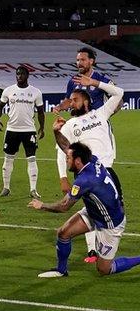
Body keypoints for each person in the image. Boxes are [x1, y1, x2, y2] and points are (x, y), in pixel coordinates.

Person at [29, 139, 140, 278]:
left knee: (104, 269)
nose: (66, 160)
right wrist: (57, 132)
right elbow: (68, 147)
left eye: (68, 158)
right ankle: (61, 270)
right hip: (95, 211)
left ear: (77, 161)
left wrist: (42, 205)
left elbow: (64, 206)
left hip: (110, 222)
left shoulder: (85, 180)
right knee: (63, 233)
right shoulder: (92, 160)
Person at [53, 46, 122, 262]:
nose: (79, 63)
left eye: (82, 60)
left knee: (103, 193)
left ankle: (106, 235)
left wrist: (102, 113)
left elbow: (117, 98)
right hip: (82, 136)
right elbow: (69, 101)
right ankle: (94, 248)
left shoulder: (101, 78)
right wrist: (63, 106)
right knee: (89, 196)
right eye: (77, 60)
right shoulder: (72, 81)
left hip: (99, 133)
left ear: (92, 61)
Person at [0, 66, 45, 198]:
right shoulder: (8, 90)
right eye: (17, 74)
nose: (19, 76)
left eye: (22, 74)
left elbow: (40, 112)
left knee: (32, 158)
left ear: (27, 75)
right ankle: (6, 188)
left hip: (29, 130)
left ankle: (33, 189)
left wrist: (42, 127)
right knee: (8, 159)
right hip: (12, 130)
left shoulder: (36, 92)